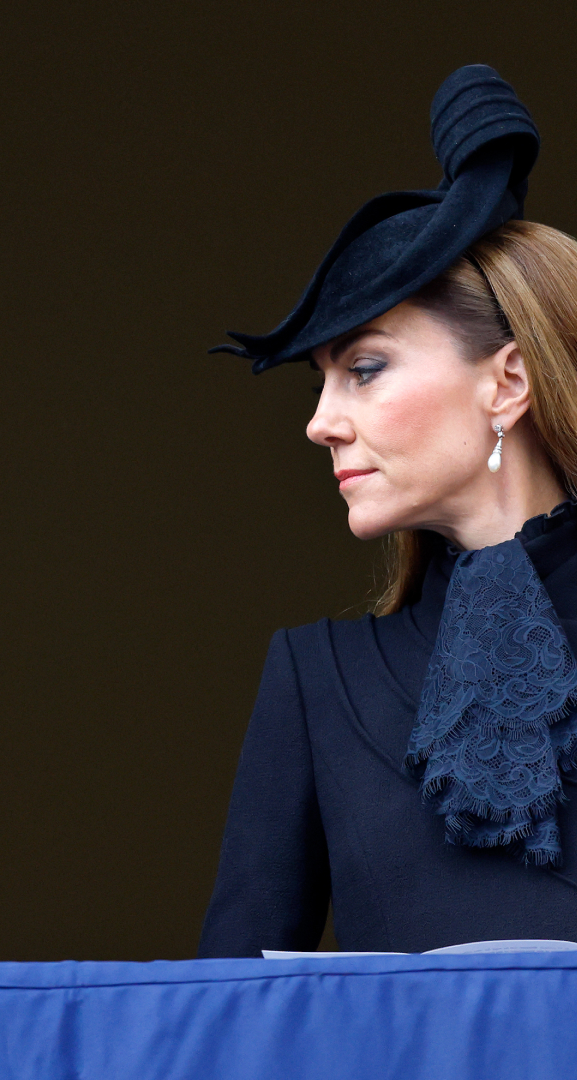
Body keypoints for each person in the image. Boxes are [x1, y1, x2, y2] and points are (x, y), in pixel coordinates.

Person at [198, 66, 577, 957]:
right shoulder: (314, 676)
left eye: (364, 369)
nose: (321, 422)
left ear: (508, 381)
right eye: (322, 380)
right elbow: (226, 1010)